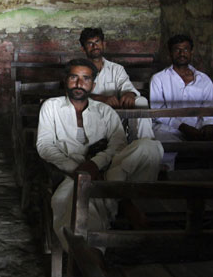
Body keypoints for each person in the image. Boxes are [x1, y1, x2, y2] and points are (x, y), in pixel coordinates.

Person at [36, 59, 163, 254]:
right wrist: (76, 168)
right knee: (72, 205)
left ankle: (126, 199)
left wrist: (96, 164)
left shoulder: (104, 110)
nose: (79, 84)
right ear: (65, 81)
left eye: (86, 79)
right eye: (74, 77)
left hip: (109, 170)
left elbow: (118, 144)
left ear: (93, 85)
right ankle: (92, 255)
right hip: (74, 175)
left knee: (150, 147)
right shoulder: (50, 107)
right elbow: (45, 145)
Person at [150, 34, 213, 169]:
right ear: (170, 53)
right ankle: (171, 173)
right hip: (171, 128)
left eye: (186, 49)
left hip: (200, 126)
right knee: (161, 145)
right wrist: (183, 127)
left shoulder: (203, 78)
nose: (182, 53)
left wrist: (209, 125)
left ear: (191, 52)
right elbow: (158, 112)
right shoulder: (159, 79)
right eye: (177, 50)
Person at [79, 27, 154, 140]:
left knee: (141, 101)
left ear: (103, 44)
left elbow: (127, 87)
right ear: (83, 49)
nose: (95, 46)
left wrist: (130, 94)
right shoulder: (78, 70)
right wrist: (101, 99)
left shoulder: (116, 69)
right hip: (90, 118)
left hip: (116, 117)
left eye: (97, 42)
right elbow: (74, 95)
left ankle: (146, 142)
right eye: (90, 44)